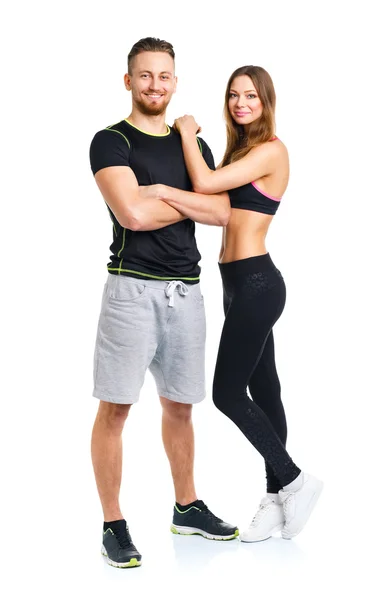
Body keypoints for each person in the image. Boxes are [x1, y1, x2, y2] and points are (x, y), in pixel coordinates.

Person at [148, 65, 323, 543]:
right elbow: (218, 208)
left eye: (251, 96)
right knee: (266, 391)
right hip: (235, 284)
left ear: (266, 102)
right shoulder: (243, 151)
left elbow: (204, 184)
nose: (240, 103)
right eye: (233, 95)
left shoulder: (271, 150)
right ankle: (275, 498)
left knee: (227, 393)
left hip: (259, 285)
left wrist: (184, 131)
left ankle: (294, 480)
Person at [89, 37, 238, 569]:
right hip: (131, 290)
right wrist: (186, 202)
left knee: (180, 406)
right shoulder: (111, 141)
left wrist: (160, 193)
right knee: (116, 409)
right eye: (145, 75)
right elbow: (130, 215)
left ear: (175, 81)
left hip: (187, 292)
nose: (156, 85)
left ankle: (187, 507)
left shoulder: (190, 143)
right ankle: (113, 523)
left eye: (165, 76)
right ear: (129, 81)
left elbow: (222, 212)